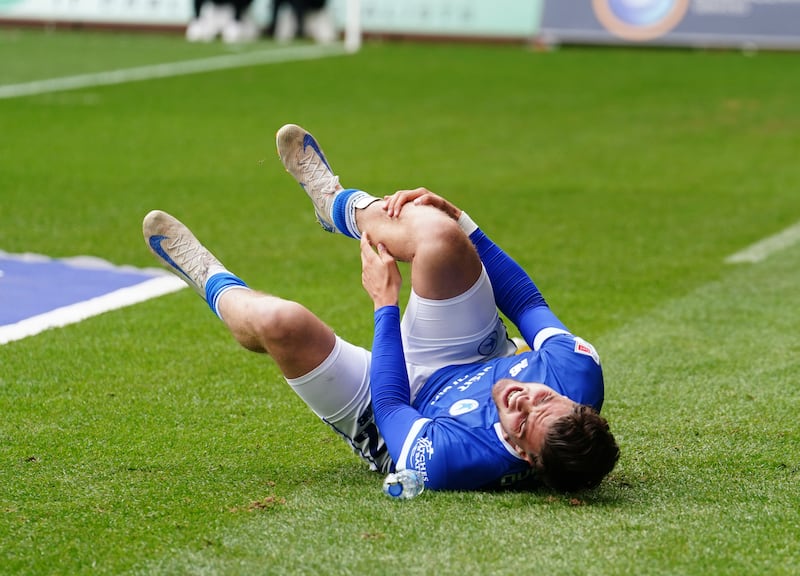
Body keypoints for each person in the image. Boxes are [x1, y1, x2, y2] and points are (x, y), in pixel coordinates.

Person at [142, 124, 619, 492]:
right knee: (439, 235)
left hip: (392, 415)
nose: (523, 398)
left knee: (280, 323)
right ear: (572, 401)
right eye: (543, 399)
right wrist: (464, 223)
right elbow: (526, 301)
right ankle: (337, 204)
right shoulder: (577, 371)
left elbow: (391, 403)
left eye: (522, 422)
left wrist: (385, 303)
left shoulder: (454, 460)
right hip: (475, 354)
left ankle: (209, 279)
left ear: (526, 458)